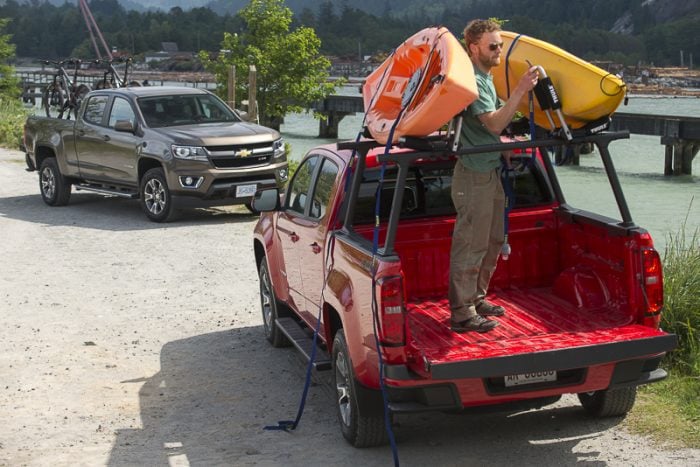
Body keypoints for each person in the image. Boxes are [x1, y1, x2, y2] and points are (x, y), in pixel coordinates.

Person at [448, 19, 539, 333]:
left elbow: (492, 131)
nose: (498, 50)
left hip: (489, 171)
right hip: (473, 175)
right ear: (474, 48)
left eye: (500, 45)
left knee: (492, 240)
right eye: (493, 46)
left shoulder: (486, 78)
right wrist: (520, 91)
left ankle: (476, 298)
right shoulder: (474, 80)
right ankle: (462, 313)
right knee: (471, 244)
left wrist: (503, 147)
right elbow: (494, 124)